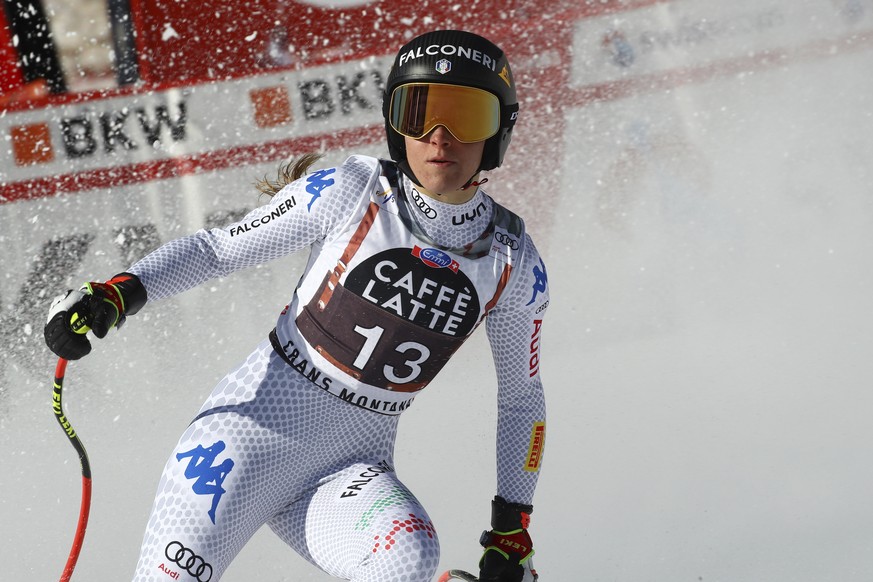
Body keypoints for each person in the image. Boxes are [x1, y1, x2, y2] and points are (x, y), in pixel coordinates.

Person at [44, 29, 548, 582]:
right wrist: (119, 292)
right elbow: (217, 251)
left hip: (350, 470)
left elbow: (523, 399)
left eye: (467, 117)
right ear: (393, 121)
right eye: (419, 111)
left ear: (500, 130)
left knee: (410, 561)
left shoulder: (513, 259)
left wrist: (510, 527)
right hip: (245, 438)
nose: (439, 138)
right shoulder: (349, 190)